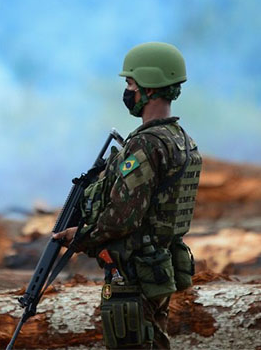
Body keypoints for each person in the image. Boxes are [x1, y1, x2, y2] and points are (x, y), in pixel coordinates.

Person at [54, 42, 202, 349]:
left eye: (130, 84)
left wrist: (81, 236)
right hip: (158, 265)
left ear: (149, 87)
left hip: (137, 270)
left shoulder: (146, 145)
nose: (127, 91)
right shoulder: (181, 140)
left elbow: (123, 218)